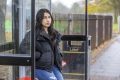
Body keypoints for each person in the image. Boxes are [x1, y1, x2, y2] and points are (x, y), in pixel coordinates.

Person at [19, 8, 64, 80]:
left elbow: (55, 50)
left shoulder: (54, 33)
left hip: (53, 65)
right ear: (39, 19)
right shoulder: (33, 33)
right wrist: (38, 55)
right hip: (40, 67)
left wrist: (59, 57)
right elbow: (23, 49)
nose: (48, 20)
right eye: (44, 18)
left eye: (49, 17)